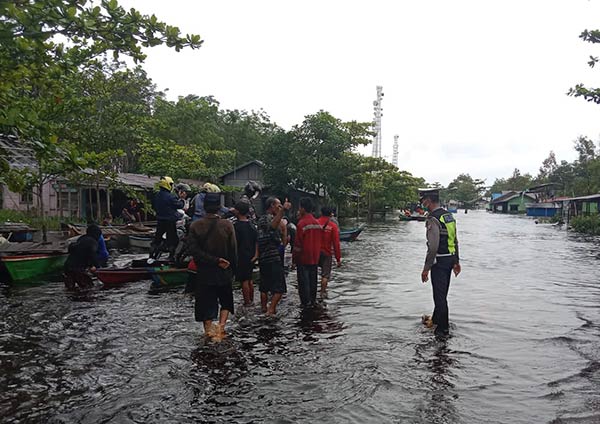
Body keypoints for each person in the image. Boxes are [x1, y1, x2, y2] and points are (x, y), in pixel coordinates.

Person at [187, 192, 237, 341]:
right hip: (224, 271)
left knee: (205, 303)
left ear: (204, 207)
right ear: (218, 208)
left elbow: (193, 251)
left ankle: (208, 331)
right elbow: (233, 250)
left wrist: (214, 260)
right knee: (226, 301)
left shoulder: (195, 226)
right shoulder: (227, 225)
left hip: (204, 272)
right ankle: (221, 328)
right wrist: (231, 269)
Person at [419, 188, 461, 338]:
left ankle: (442, 332)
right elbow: (454, 239)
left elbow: (433, 246)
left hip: (440, 261)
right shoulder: (448, 216)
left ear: (428, 201)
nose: (422, 203)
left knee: (439, 296)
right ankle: (436, 319)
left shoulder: (433, 218)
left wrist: (426, 268)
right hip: (449, 259)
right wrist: (456, 261)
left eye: (423, 200)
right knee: (442, 293)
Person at [257, 196, 291, 315]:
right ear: (272, 206)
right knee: (280, 288)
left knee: (264, 287)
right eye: (278, 205)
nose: (280, 207)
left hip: (264, 257)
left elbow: (283, 239)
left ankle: (264, 308)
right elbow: (272, 227)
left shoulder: (262, 219)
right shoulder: (268, 218)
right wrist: (283, 211)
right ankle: (270, 310)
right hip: (272, 256)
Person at [293, 197, 322, 307]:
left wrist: (294, 260)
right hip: (315, 259)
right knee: (313, 284)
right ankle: (313, 303)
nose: (299, 209)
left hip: (303, 260)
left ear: (303, 208)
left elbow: (297, 246)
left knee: (304, 286)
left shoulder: (301, 224)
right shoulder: (317, 223)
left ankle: (305, 306)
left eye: (300, 207)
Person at [151, 176, 184, 260]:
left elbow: (154, 206)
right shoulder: (171, 196)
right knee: (173, 240)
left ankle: (152, 256)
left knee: (157, 239)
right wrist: (182, 199)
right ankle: (171, 257)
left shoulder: (157, 195)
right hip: (170, 221)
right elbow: (179, 205)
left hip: (160, 220)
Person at [233, 201, 258, 306]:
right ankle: (251, 300)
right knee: (249, 278)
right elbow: (257, 241)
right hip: (251, 255)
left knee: (244, 280)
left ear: (238, 211)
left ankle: (247, 302)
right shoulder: (252, 225)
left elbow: (233, 243)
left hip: (241, 256)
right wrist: (256, 255)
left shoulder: (236, 226)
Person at [64, 224, 102, 290]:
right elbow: (92, 254)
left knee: (70, 289)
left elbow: (74, 248)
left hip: (67, 267)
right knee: (89, 288)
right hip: (78, 269)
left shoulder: (81, 238)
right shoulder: (92, 242)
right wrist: (98, 267)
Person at [317, 206, 341, 293]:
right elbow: (336, 244)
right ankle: (322, 294)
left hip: (314, 252)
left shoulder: (315, 223)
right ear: (331, 214)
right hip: (327, 253)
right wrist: (338, 259)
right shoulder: (333, 226)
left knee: (312, 273)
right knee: (325, 275)